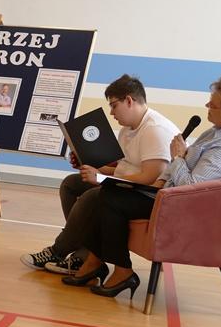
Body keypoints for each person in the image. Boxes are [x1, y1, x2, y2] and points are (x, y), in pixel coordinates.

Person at [67, 75, 221, 297]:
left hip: (189, 209)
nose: (207, 105)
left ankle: (116, 269)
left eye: (213, 104)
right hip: (171, 194)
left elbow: (191, 188)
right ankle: (98, 262)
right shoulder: (218, 131)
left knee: (108, 197)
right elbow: (184, 164)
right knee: (106, 192)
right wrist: (162, 180)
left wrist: (178, 157)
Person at [21, 74, 179, 275]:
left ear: (129, 100)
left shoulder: (154, 129)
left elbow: (150, 178)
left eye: (114, 105)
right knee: (71, 184)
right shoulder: (127, 129)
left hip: (149, 195)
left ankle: (57, 252)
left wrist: (102, 179)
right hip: (129, 186)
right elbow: (124, 168)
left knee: (92, 196)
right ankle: (84, 253)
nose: (111, 112)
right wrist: (92, 167)